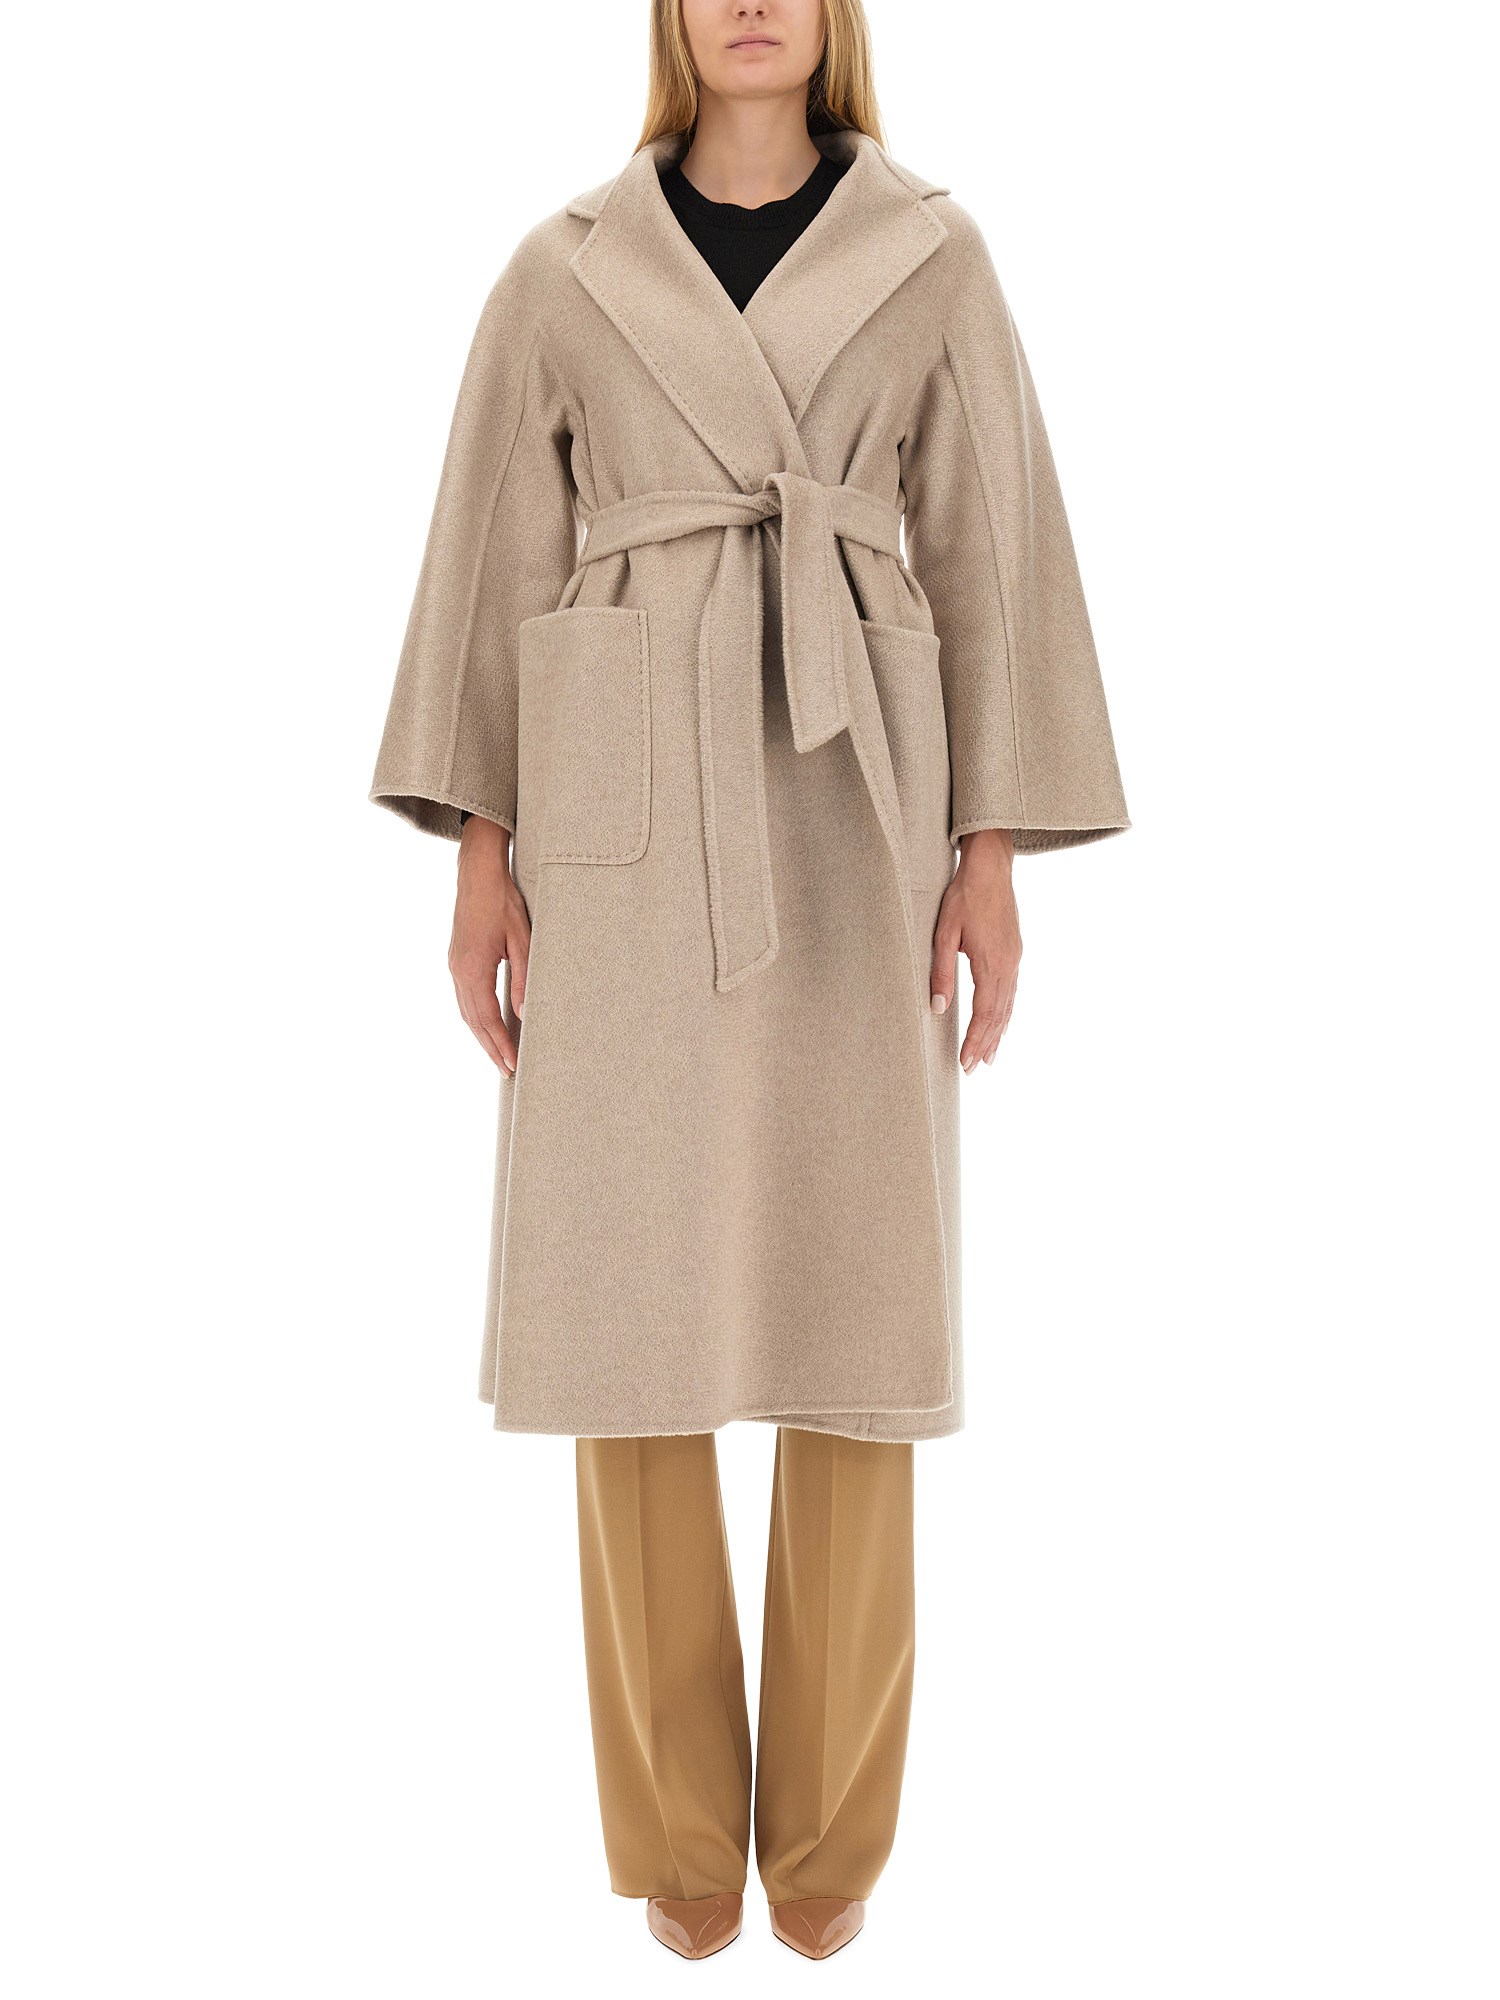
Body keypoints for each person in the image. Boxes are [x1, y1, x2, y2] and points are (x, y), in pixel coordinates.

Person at [369, 0, 1128, 1963]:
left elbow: (997, 554)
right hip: (619, 805)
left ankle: (834, 1833)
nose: (752, 1)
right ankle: (678, 1824)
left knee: (857, 1319)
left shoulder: (935, 256)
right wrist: (480, 848)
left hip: (858, 791)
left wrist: (990, 855)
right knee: (627, 1317)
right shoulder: (563, 270)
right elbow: (489, 558)